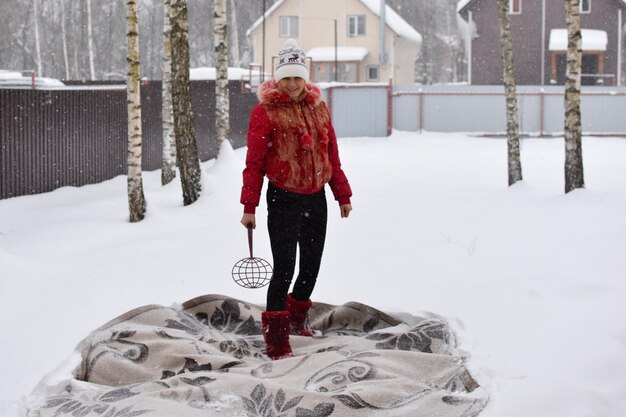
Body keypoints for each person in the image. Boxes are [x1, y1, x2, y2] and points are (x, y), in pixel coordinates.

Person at [240, 39, 353, 360]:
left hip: (316, 199)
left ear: (306, 78)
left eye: (297, 77)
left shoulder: (319, 108)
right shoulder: (265, 112)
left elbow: (331, 154)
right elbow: (254, 163)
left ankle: (296, 322)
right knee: (285, 269)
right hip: (283, 199)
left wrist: (341, 194)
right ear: (278, 78)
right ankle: (276, 342)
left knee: (311, 268)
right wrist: (249, 207)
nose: (292, 84)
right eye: (286, 77)